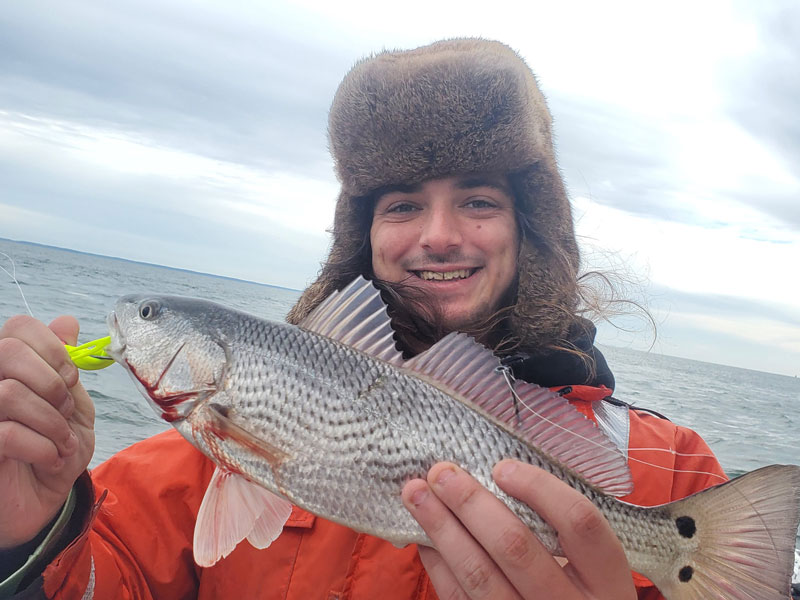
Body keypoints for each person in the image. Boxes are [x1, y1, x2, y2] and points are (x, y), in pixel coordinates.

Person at [0, 39, 725, 599]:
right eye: (402, 204)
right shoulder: (203, 458)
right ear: (362, 238)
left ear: (532, 229)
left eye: (478, 200)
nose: (438, 235)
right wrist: (30, 531)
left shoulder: (674, 469)